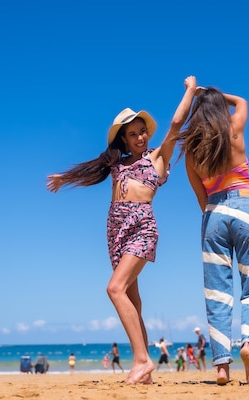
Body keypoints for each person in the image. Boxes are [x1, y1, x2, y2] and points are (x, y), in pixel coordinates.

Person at [47, 76, 198, 384]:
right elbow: (89, 169)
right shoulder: (117, 164)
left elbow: (175, 124)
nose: (140, 137)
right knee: (133, 300)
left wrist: (190, 92)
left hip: (142, 226)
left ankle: (142, 362)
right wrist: (64, 179)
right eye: (133, 134)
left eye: (142, 131)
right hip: (115, 231)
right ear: (125, 139)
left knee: (114, 289)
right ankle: (144, 370)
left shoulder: (157, 157)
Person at [177, 83, 249, 386]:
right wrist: (211, 93)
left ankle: (221, 368)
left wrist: (196, 96)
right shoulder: (235, 127)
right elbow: (241, 100)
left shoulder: (191, 148)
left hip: (213, 214)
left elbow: (202, 198)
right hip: (246, 208)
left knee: (218, 294)